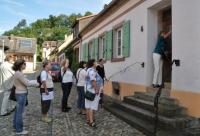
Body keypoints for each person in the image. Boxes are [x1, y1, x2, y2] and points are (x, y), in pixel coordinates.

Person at [12, 59, 39, 135]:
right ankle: (19, 130)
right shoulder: (19, 74)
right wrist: (37, 84)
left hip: (20, 93)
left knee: (17, 111)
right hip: (21, 94)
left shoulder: (19, 73)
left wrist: (35, 81)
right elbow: (27, 83)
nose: (25, 65)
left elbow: (27, 81)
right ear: (21, 65)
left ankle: (15, 127)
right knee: (20, 113)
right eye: (24, 64)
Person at [85, 59, 103, 128]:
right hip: (92, 91)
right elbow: (93, 81)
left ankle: (89, 119)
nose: (96, 63)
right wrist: (96, 90)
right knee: (92, 106)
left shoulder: (89, 70)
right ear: (93, 63)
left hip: (89, 90)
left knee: (89, 106)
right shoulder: (92, 71)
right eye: (95, 62)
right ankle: (91, 121)